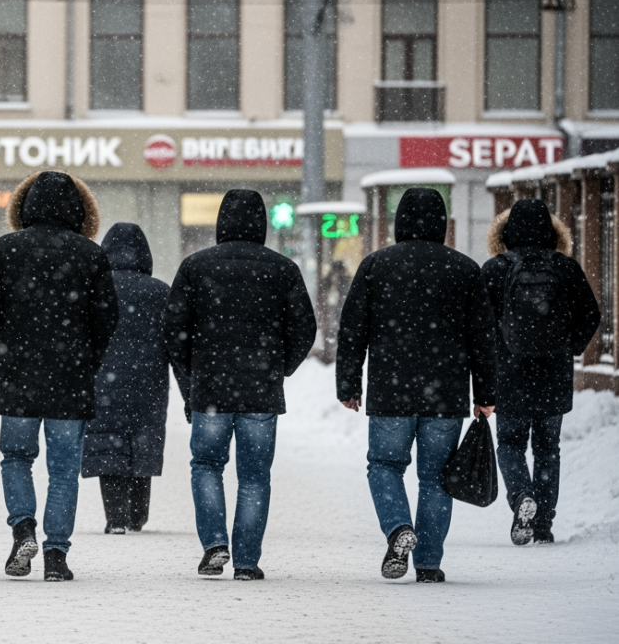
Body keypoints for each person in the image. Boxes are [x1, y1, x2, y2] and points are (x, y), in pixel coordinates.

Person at [337, 187, 497, 584]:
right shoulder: (464, 269)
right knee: (437, 477)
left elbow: (353, 330)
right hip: (446, 393)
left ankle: (397, 528)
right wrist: (487, 394)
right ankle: (428, 563)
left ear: (399, 222)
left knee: (385, 466)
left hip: (391, 390)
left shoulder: (377, 265)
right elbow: (483, 337)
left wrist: (348, 383)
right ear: (443, 224)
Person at [163, 190, 316, 581]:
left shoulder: (196, 266)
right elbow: (305, 328)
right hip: (260, 392)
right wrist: (279, 367)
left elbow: (174, 332)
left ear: (221, 222)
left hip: (211, 390)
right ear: (261, 224)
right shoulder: (282, 269)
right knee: (254, 476)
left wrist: (192, 377)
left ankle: (215, 544)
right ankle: (247, 560)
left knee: (207, 466)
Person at [0, 169, 119, 582]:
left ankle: (23, 528)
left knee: (16, 458)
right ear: (78, 210)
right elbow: (107, 318)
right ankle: (57, 555)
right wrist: (86, 362)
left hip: (16, 377)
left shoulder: (5, 249)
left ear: (24, 206)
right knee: (62, 469)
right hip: (69, 380)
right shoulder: (90, 255)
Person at [483, 199, 598, 545]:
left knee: (511, 444)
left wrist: (490, 361)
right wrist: (569, 346)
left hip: (509, 374)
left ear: (505, 232)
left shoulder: (496, 269)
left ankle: (522, 497)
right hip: (553, 374)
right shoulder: (565, 268)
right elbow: (591, 315)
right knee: (548, 448)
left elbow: (480, 325)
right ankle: (544, 524)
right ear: (552, 230)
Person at [82, 223, 175, 535]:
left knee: (108, 444)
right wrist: (192, 394)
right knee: (142, 442)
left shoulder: (93, 289)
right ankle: (138, 515)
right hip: (148, 385)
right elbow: (179, 346)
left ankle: (116, 517)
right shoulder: (161, 293)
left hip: (102, 385)